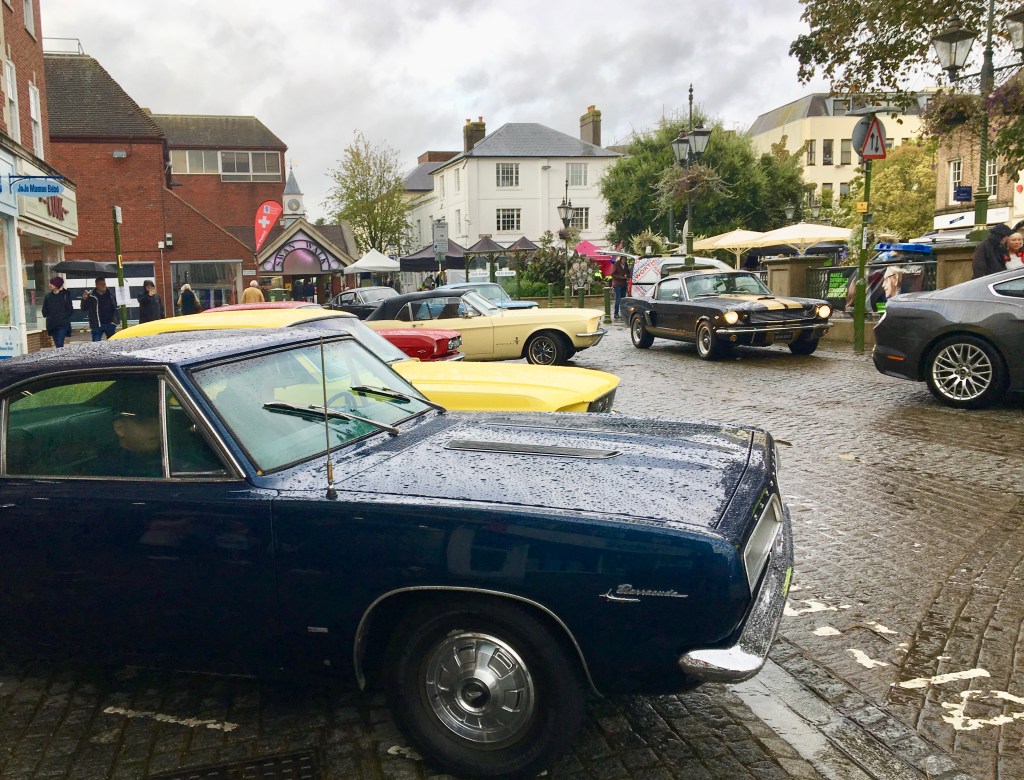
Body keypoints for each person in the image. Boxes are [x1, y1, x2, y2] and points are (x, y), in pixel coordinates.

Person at [81, 276, 119, 341]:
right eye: (101, 284)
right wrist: (84, 299)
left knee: (113, 342)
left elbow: (115, 307)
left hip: (110, 323)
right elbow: (84, 308)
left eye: (104, 284)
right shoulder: (91, 296)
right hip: (97, 324)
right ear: (96, 285)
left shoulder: (111, 294)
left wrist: (115, 321)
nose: (104, 285)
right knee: (96, 343)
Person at [42, 276, 74, 348]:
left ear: (57, 284)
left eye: (52, 283)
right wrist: (48, 316)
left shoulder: (65, 295)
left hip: (62, 324)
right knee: (57, 344)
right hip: (52, 324)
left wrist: (63, 317)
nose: (50, 285)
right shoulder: (48, 296)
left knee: (59, 343)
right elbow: (44, 309)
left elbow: (70, 309)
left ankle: (60, 354)